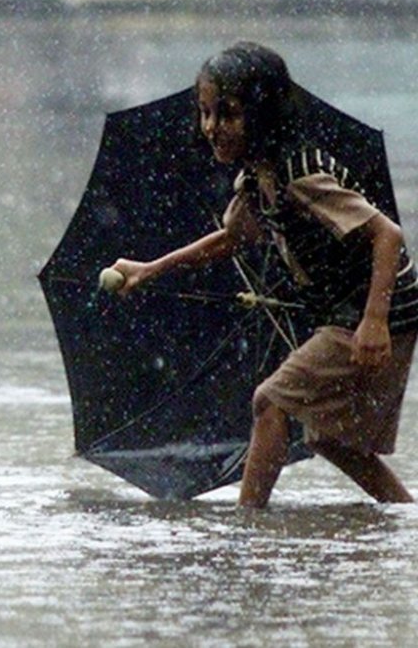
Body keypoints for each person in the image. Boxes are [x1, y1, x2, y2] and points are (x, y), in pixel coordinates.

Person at [109, 41, 418, 508]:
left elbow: (388, 236)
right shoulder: (257, 179)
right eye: (206, 112)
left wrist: (374, 321)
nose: (212, 128)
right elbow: (229, 238)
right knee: (330, 440)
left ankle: (248, 525)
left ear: (263, 115)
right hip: (348, 311)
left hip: (380, 312)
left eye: (227, 114)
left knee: (269, 400)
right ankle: (404, 517)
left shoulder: (299, 174)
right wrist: (151, 269)